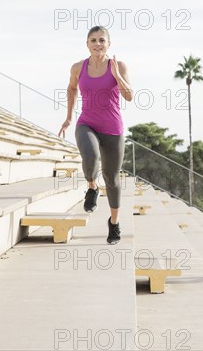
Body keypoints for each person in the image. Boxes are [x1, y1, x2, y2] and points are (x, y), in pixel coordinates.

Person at [58, 26, 133, 244]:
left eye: (102, 40)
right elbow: (72, 89)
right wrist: (69, 117)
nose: (97, 44)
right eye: (93, 40)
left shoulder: (118, 66)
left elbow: (129, 96)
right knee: (90, 157)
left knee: (111, 178)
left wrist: (118, 77)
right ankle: (91, 187)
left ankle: (114, 223)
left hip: (112, 129)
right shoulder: (77, 67)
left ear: (109, 44)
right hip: (86, 123)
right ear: (87, 44)